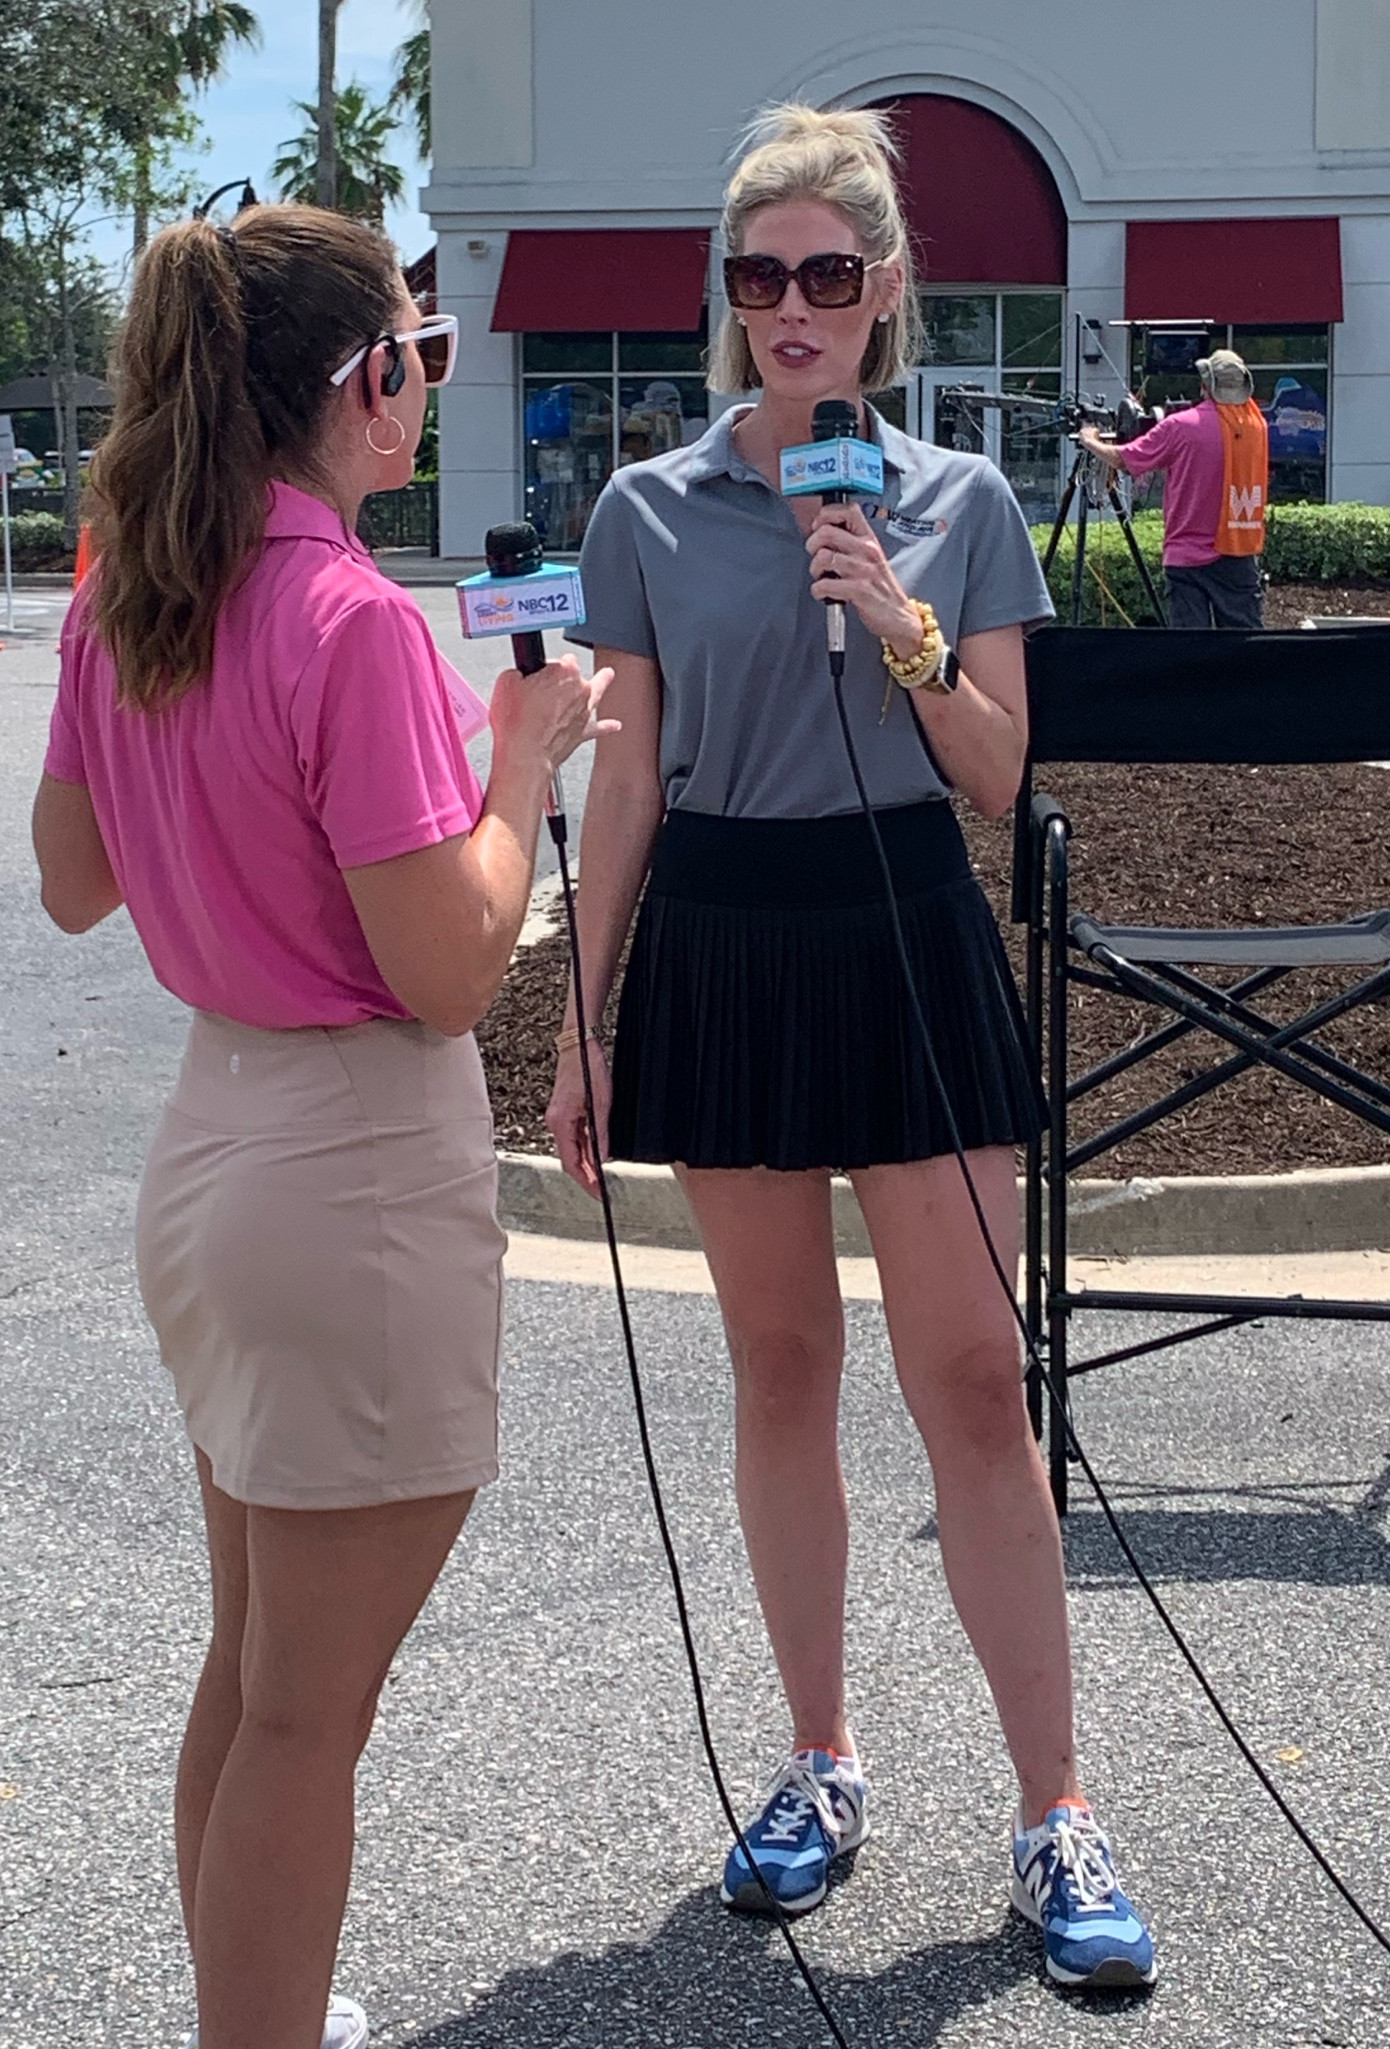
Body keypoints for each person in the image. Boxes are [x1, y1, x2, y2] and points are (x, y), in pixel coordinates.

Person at [544, 103, 1156, 1992]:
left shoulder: (959, 503)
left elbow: (995, 772)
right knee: (782, 1358)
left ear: (886, 291)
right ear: (728, 297)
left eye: (827, 272)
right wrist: (575, 1017)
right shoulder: (641, 511)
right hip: (725, 934)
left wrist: (892, 614)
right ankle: (820, 1759)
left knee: (974, 1377)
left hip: (904, 916)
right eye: (759, 276)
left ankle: (1053, 1802)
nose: (792, 306)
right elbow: (632, 777)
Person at [30, 205, 611, 2049]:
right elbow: (446, 965)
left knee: (261, 1664)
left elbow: (67, 881)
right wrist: (523, 762)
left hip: (212, 1141)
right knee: (306, 1703)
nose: (424, 385)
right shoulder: (347, 614)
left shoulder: (138, 584)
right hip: (346, 1159)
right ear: (368, 380)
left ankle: (250, 2008)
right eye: (417, 358)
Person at [1080, 346, 1269, 628]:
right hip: (1239, 550)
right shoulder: (1257, 426)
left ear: (1205, 384)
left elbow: (1124, 459)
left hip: (1188, 556)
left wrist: (1090, 440)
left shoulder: (1181, 426)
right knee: (1245, 650)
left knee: (1190, 654)